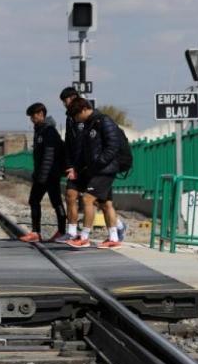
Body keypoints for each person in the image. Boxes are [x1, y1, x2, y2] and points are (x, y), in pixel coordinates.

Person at [65, 97, 125, 249]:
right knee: (106, 204)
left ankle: (84, 237)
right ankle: (114, 237)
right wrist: (76, 168)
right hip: (97, 169)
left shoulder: (104, 121)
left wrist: (99, 162)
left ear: (84, 109)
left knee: (87, 199)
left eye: (77, 115)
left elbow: (113, 145)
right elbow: (83, 152)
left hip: (105, 169)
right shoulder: (87, 124)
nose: (76, 119)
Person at [19, 103, 67, 243]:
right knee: (37, 201)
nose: (32, 119)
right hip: (44, 174)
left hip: (50, 175)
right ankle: (37, 232)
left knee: (55, 202)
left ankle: (61, 232)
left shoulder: (49, 131)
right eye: (30, 117)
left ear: (41, 114)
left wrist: (42, 176)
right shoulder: (39, 130)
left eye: (34, 116)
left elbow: (49, 156)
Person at [59, 87, 84, 242]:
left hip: (88, 164)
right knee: (70, 195)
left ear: (73, 97)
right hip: (74, 165)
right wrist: (69, 165)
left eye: (65, 100)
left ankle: (118, 226)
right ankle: (72, 231)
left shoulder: (85, 115)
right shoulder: (69, 118)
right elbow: (69, 142)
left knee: (97, 200)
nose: (64, 104)